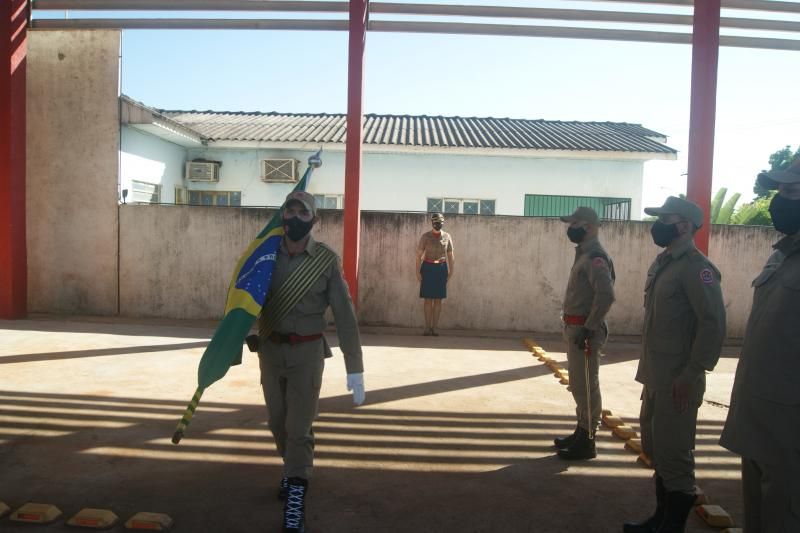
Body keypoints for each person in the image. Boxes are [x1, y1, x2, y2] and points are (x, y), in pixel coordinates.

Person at [254, 190, 365, 533]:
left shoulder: (326, 261)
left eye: (304, 214)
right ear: (283, 216)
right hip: (271, 351)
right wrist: (229, 343)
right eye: (291, 212)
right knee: (277, 422)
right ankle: (294, 470)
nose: (296, 219)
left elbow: (345, 315)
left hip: (307, 354)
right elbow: (244, 300)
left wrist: (355, 366)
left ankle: (296, 500)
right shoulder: (264, 255)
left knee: (298, 429)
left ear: (314, 221)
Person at [624, 196, 726, 533]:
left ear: (682, 225)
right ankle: (659, 519)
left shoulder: (697, 268)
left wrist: (691, 373)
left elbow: (712, 325)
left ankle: (671, 527)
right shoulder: (665, 263)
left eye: (664, 218)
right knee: (658, 450)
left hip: (678, 382)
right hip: (655, 377)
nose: (658, 225)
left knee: (675, 456)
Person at [719, 157, 800, 533]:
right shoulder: (782, 256)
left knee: (784, 514)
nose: (779, 201)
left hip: (789, 425)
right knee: (760, 513)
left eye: (791, 191)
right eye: (780, 191)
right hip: (761, 415)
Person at [554, 206, 616, 460]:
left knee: (588, 385)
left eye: (575, 223)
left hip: (585, 330)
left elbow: (606, 295)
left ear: (588, 227)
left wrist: (589, 327)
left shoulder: (595, 257)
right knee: (579, 384)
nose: (571, 228)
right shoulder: (584, 254)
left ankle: (589, 439)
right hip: (576, 327)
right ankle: (581, 430)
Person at [415, 212, 455, 336]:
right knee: (428, 299)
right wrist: (417, 271)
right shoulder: (425, 237)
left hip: (441, 268)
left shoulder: (447, 237)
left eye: (440, 222)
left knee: (438, 300)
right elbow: (418, 255)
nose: (438, 224)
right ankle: (427, 328)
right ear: (432, 222)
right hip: (427, 268)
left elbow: (450, 255)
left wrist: (451, 271)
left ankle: (435, 328)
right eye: (436, 222)